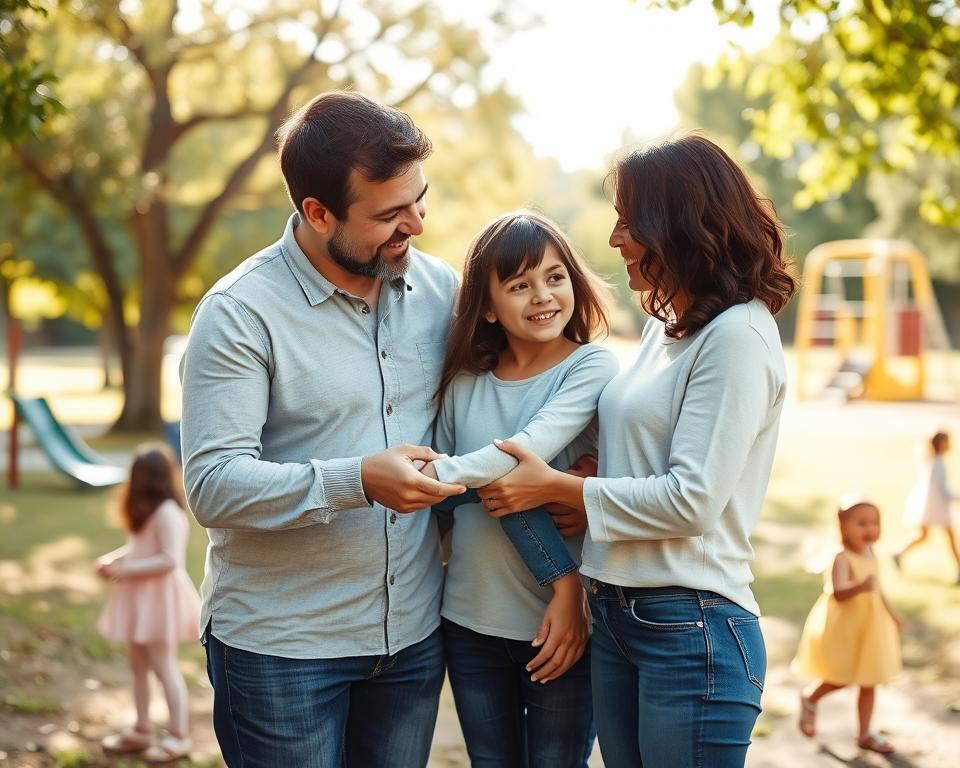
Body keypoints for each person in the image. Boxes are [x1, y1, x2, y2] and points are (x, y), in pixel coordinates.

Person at [477, 133, 796, 767]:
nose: (615, 238)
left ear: (679, 224)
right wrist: (596, 468)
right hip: (617, 612)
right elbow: (648, 438)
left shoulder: (738, 336)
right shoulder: (666, 326)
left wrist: (564, 490)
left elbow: (693, 501)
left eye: (629, 221)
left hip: (691, 624)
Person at [179, 91, 465, 768]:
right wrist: (356, 480)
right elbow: (213, 485)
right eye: (389, 215)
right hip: (282, 652)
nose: (415, 225)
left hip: (411, 640)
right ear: (317, 213)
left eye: (420, 200)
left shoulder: (443, 291)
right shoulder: (239, 313)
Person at [422, 211, 617, 767]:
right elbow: (449, 505)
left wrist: (431, 477)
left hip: (561, 620)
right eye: (519, 285)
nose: (542, 296)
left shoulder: (590, 366)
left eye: (555, 277)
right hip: (469, 621)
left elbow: (519, 454)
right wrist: (447, 485)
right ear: (487, 307)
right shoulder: (464, 383)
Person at [96, 444, 201, 763]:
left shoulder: (168, 512)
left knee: (163, 666)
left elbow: (170, 560)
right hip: (140, 598)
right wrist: (114, 559)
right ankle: (141, 729)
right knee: (138, 665)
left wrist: (125, 569)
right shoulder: (146, 511)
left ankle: (179, 736)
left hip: (160, 599)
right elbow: (139, 548)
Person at [794, 497, 904, 754]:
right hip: (846, 628)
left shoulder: (871, 553)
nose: (870, 529)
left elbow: (878, 590)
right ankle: (810, 697)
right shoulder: (841, 558)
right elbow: (838, 592)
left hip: (870, 626)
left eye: (875, 523)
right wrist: (861, 586)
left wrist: (892, 615)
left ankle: (865, 734)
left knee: (870, 680)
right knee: (841, 677)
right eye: (862, 523)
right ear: (843, 527)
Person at [894, 431, 960, 582]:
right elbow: (943, 491)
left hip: (929, 505)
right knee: (949, 538)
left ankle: (898, 552)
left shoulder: (931, 460)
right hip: (936, 508)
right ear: (941, 443)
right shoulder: (938, 464)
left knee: (924, 536)